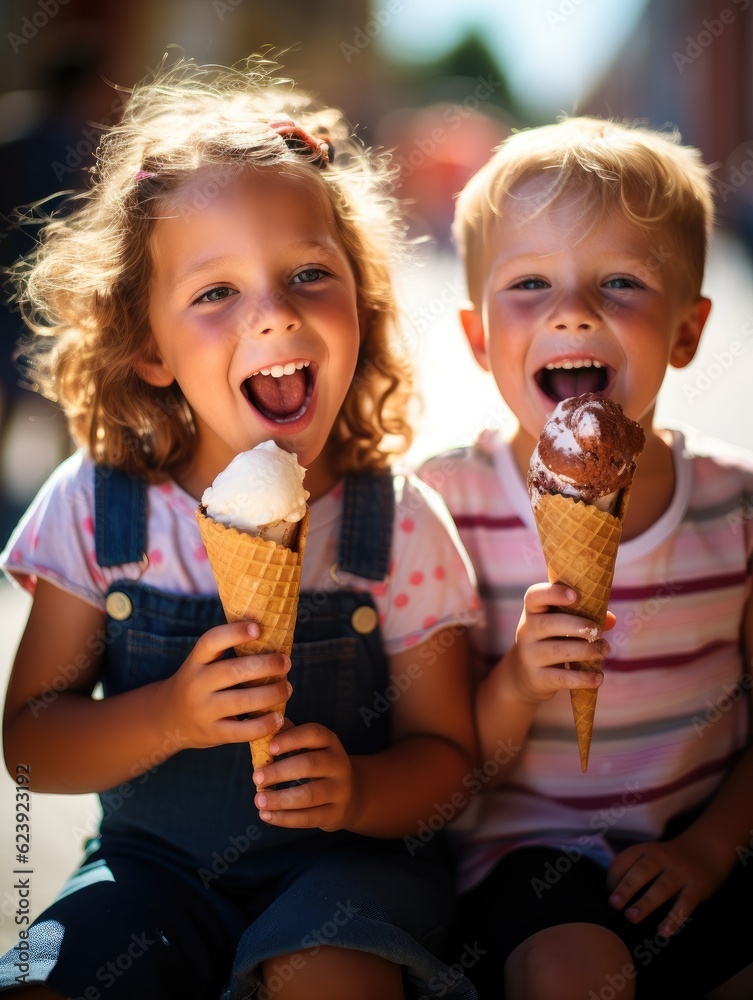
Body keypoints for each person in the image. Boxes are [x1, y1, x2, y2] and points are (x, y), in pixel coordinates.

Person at [0, 57, 480, 1000]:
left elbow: (452, 765)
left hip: (344, 875)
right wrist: (169, 716)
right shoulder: (100, 507)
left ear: (362, 304)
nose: (273, 314)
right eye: (215, 293)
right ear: (146, 344)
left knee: (325, 973)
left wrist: (363, 791)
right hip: (149, 873)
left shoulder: (399, 523)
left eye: (309, 273)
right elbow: (31, 742)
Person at [419, 116, 753, 1000]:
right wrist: (519, 684)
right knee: (577, 980)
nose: (573, 310)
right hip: (526, 855)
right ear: (479, 337)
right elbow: (444, 757)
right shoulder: (444, 504)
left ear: (686, 332)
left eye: (620, 281)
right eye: (529, 283)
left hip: (702, 832)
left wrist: (712, 847)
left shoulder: (737, 504)